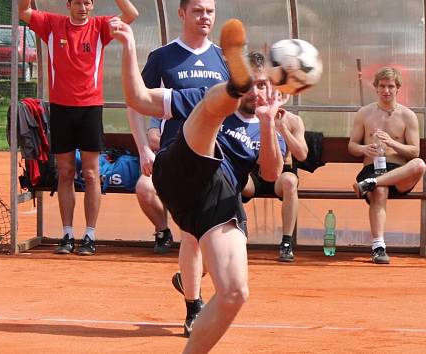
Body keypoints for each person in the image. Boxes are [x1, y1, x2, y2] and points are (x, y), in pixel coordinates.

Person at [111, 17, 287, 353]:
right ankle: (227, 89)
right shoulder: (204, 95)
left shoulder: (265, 129)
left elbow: (270, 173)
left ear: (272, 89)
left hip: (214, 201)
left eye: (262, 85)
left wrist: (267, 124)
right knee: (210, 109)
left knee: (235, 293)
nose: (258, 91)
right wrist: (130, 46)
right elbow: (137, 98)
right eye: (250, 83)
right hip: (181, 166)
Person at [18, 0, 138, 255]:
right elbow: (24, 11)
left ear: (92, 5)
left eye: (87, 2)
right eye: (78, 3)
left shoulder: (100, 27)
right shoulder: (52, 24)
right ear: (68, 5)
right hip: (61, 109)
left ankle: (90, 236)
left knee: (92, 174)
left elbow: (131, 14)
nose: (82, 7)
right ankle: (67, 235)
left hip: (90, 108)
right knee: (65, 172)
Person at [133, 0, 228, 255]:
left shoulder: (223, 57)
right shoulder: (163, 56)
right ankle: (193, 291)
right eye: (197, 11)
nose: (204, 17)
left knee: (211, 232)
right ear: (181, 14)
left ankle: (196, 283)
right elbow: (135, 102)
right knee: (192, 232)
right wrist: (143, 148)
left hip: (216, 157)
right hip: (176, 155)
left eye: (210, 11)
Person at [348, 67, 426, 264]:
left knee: (419, 164)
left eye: (391, 86)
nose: (386, 90)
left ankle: (371, 183)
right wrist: (364, 149)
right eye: (382, 86)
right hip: (371, 168)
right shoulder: (364, 113)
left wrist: (392, 143)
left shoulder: (408, 116)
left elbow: (414, 152)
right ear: (376, 88)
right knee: (380, 191)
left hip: (399, 175)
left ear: (398, 88)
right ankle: (378, 247)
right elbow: (352, 146)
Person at [241, 110, 307, 262]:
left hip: (281, 175)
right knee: (231, 178)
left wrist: (283, 128)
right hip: (254, 174)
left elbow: (302, 154)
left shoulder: (293, 120)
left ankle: (286, 242)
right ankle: (237, 234)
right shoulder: (248, 117)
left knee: (290, 181)